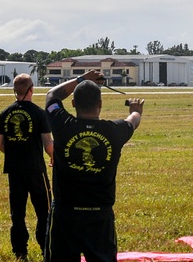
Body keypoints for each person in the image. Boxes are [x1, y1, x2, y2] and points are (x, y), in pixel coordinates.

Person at [44, 70, 144, 262]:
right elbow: (133, 121)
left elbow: (52, 95)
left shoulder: (62, 124)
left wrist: (82, 78)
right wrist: (135, 110)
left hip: (66, 214)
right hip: (100, 215)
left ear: (73, 104)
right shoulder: (114, 131)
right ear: (100, 104)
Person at [0, 73, 54, 261]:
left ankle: (20, 250)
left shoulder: (5, 114)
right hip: (36, 169)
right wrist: (53, 157)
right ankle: (46, 247)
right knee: (44, 211)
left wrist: (14, 154)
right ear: (31, 89)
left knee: (18, 213)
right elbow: (48, 144)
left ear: (14, 90)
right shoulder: (39, 113)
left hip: (14, 170)